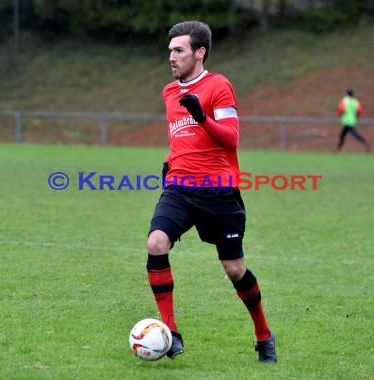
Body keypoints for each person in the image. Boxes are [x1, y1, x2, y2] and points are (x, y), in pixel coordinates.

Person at [145, 20, 277, 363]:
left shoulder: (219, 86)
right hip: (179, 188)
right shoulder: (168, 91)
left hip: (218, 191)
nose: (171, 57)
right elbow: (181, 137)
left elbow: (231, 138)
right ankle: (170, 332)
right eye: (170, 51)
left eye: (179, 51)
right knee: (156, 243)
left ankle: (263, 334)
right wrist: (171, 161)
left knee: (234, 269)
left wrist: (202, 116)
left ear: (199, 52)